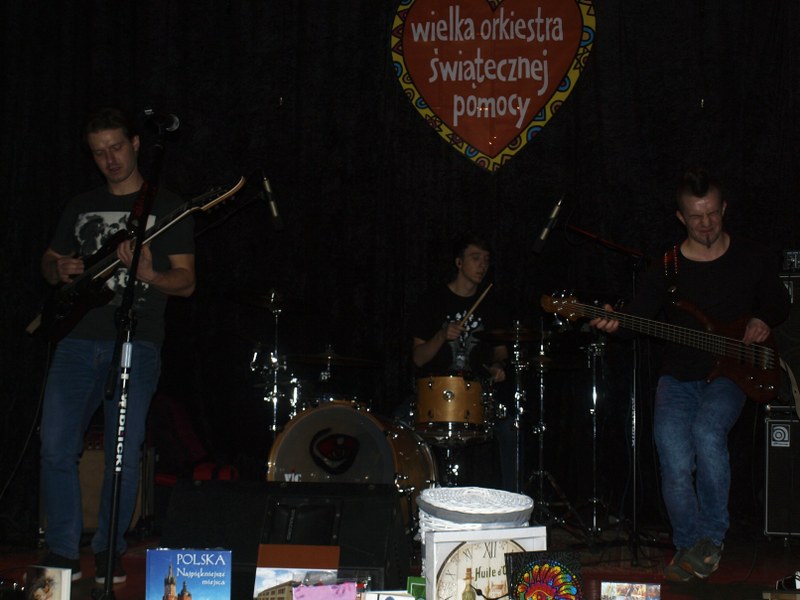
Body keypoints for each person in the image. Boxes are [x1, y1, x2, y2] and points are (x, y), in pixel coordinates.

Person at [589, 167, 790, 581]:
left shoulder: (750, 256)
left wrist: (762, 319)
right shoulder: (667, 267)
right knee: (674, 458)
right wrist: (614, 322)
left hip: (733, 372)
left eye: (713, 213)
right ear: (681, 217)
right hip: (678, 376)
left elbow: (779, 301)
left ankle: (711, 539)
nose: (707, 224)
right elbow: (636, 317)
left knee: (708, 432)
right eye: (697, 217)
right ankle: (687, 546)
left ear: (724, 208)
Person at [38, 107, 196, 583]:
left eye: (116, 147)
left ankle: (109, 551)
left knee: (122, 454)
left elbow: (186, 282)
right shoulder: (81, 204)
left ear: (135, 144)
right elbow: (49, 260)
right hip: (74, 342)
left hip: (135, 343)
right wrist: (58, 269)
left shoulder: (168, 206)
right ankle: (63, 553)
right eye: (99, 152)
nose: (109, 159)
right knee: (55, 447)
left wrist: (149, 273)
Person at [407, 231, 512, 488]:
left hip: (479, 397)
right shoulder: (432, 301)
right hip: (436, 396)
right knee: (398, 425)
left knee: (511, 428)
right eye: (475, 258)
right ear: (458, 262)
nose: (482, 265)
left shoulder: (493, 304)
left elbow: (501, 351)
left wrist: (499, 366)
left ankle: (509, 501)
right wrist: (442, 335)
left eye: (486, 259)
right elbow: (418, 358)